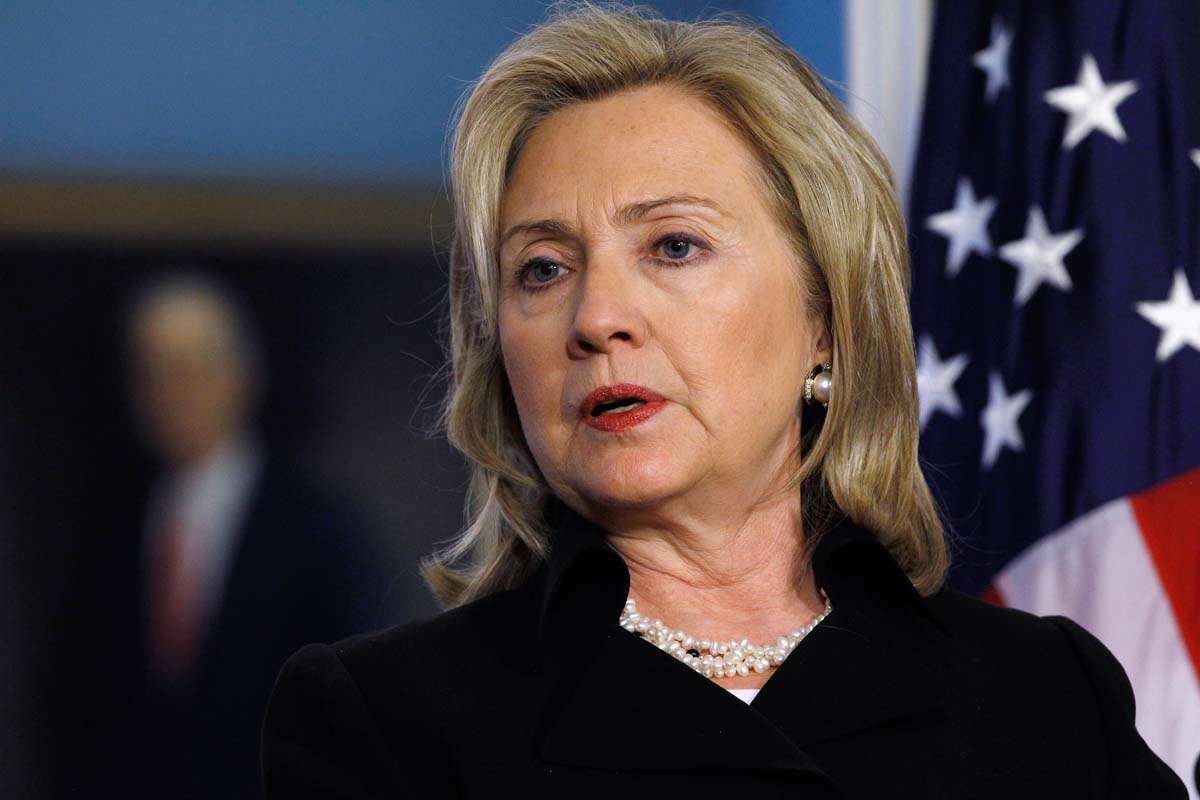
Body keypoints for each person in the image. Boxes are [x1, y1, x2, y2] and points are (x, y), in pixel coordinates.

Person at [261, 5, 1187, 797]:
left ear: (826, 321)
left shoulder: (1046, 695)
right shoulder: (384, 724)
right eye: (541, 269)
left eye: (673, 247)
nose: (596, 318)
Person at [122, 271, 380, 797]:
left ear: (240, 376)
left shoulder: (317, 528)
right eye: (155, 373)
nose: (173, 393)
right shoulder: (112, 527)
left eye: (191, 368)